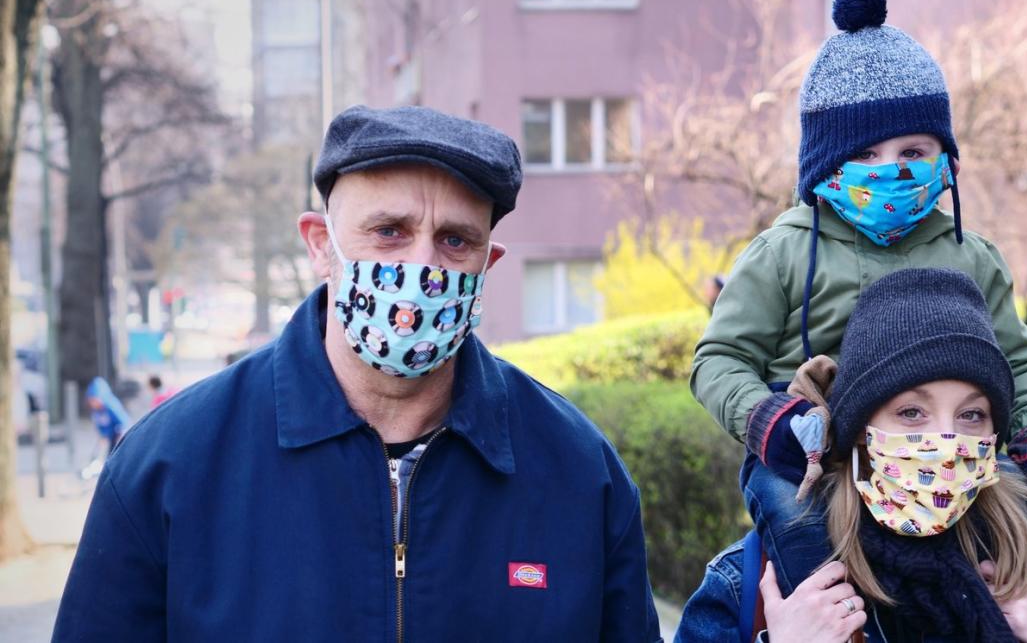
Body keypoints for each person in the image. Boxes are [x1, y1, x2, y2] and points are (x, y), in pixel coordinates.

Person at [54, 105, 661, 641]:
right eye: (389, 232)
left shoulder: (580, 474)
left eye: (454, 240)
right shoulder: (169, 466)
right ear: (321, 245)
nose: (422, 264)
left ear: (487, 263)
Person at [690, 0, 1027, 579]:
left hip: (947, 452)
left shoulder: (971, 257)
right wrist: (767, 422)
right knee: (796, 528)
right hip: (815, 459)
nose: (891, 172)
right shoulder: (780, 253)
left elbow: (1020, 362)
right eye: (865, 155)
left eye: (913, 152)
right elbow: (717, 358)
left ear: (944, 159)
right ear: (824, 163)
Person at [677, 268, 1027, 642]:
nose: (945, 440)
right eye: (911, 412)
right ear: (860, 429)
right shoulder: (754, 579)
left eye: (971, 414)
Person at [79, 377, 132, 481]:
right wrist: (103, 435)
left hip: (119, 434)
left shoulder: (111, 406)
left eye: (95, 400)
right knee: (108, 456)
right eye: (91, 400)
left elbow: (123, 422)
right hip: (109, 435)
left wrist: (120, 435)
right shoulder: (96, 411)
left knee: (117, 456)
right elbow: (101, 425)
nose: (93, 403)